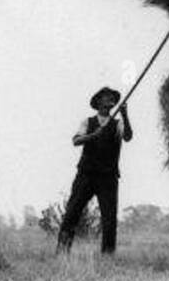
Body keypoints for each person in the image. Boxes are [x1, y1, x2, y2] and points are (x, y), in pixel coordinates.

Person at [56, 86, 133, 255]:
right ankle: (62, 253)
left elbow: (127, 136)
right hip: (86, 174)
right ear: (98, 102)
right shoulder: (88, 122)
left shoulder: (118, 123)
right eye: (106, 97)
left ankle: (107, 256)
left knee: (109, 219)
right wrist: (93, 136)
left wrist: (125, 115)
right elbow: (76, 141)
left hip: (108, 177)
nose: (110, 99)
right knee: (72, 212)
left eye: (112, 97)